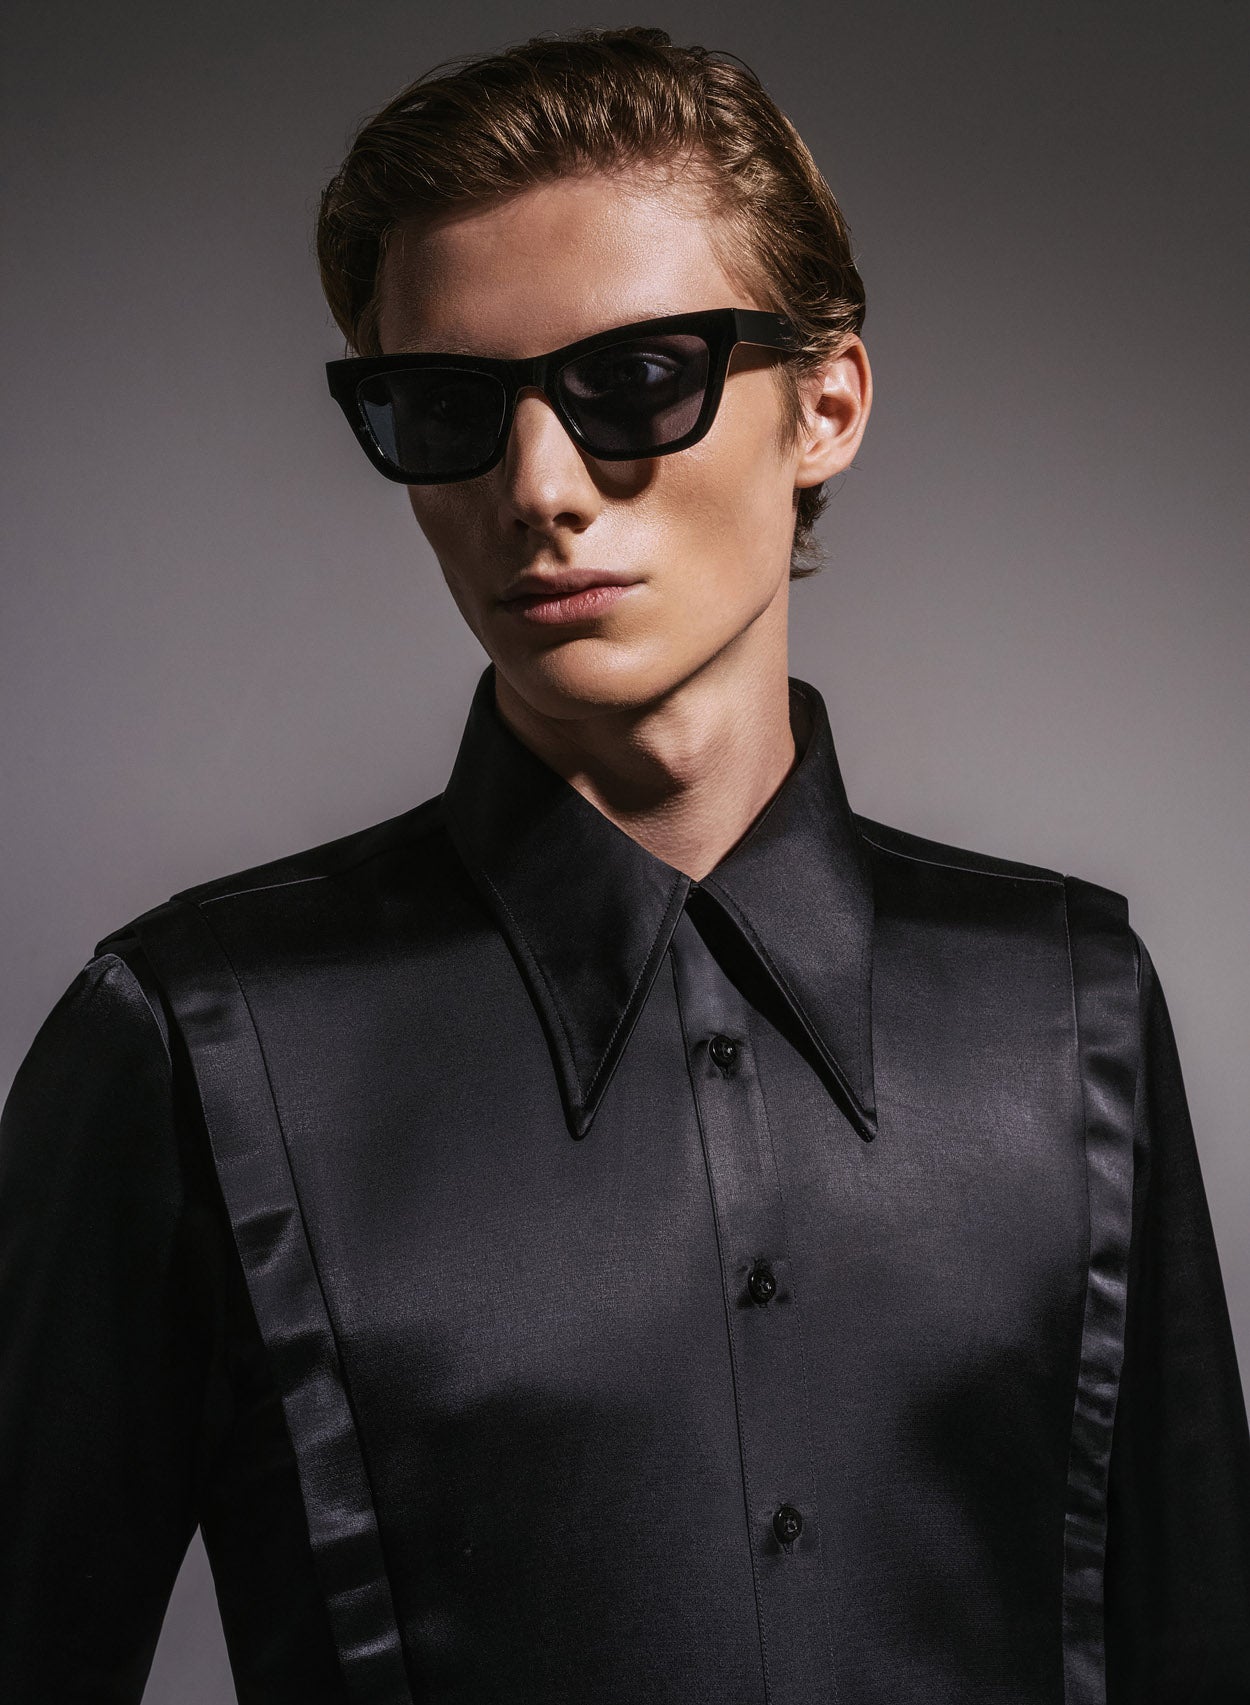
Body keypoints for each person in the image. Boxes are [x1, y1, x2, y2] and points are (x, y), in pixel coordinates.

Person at [1, 23, 1248, 1705]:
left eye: (635, 378)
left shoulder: (1069, 1004)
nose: (536, 487)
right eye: (447, 406)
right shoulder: (192, 1038)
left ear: (825, 405)